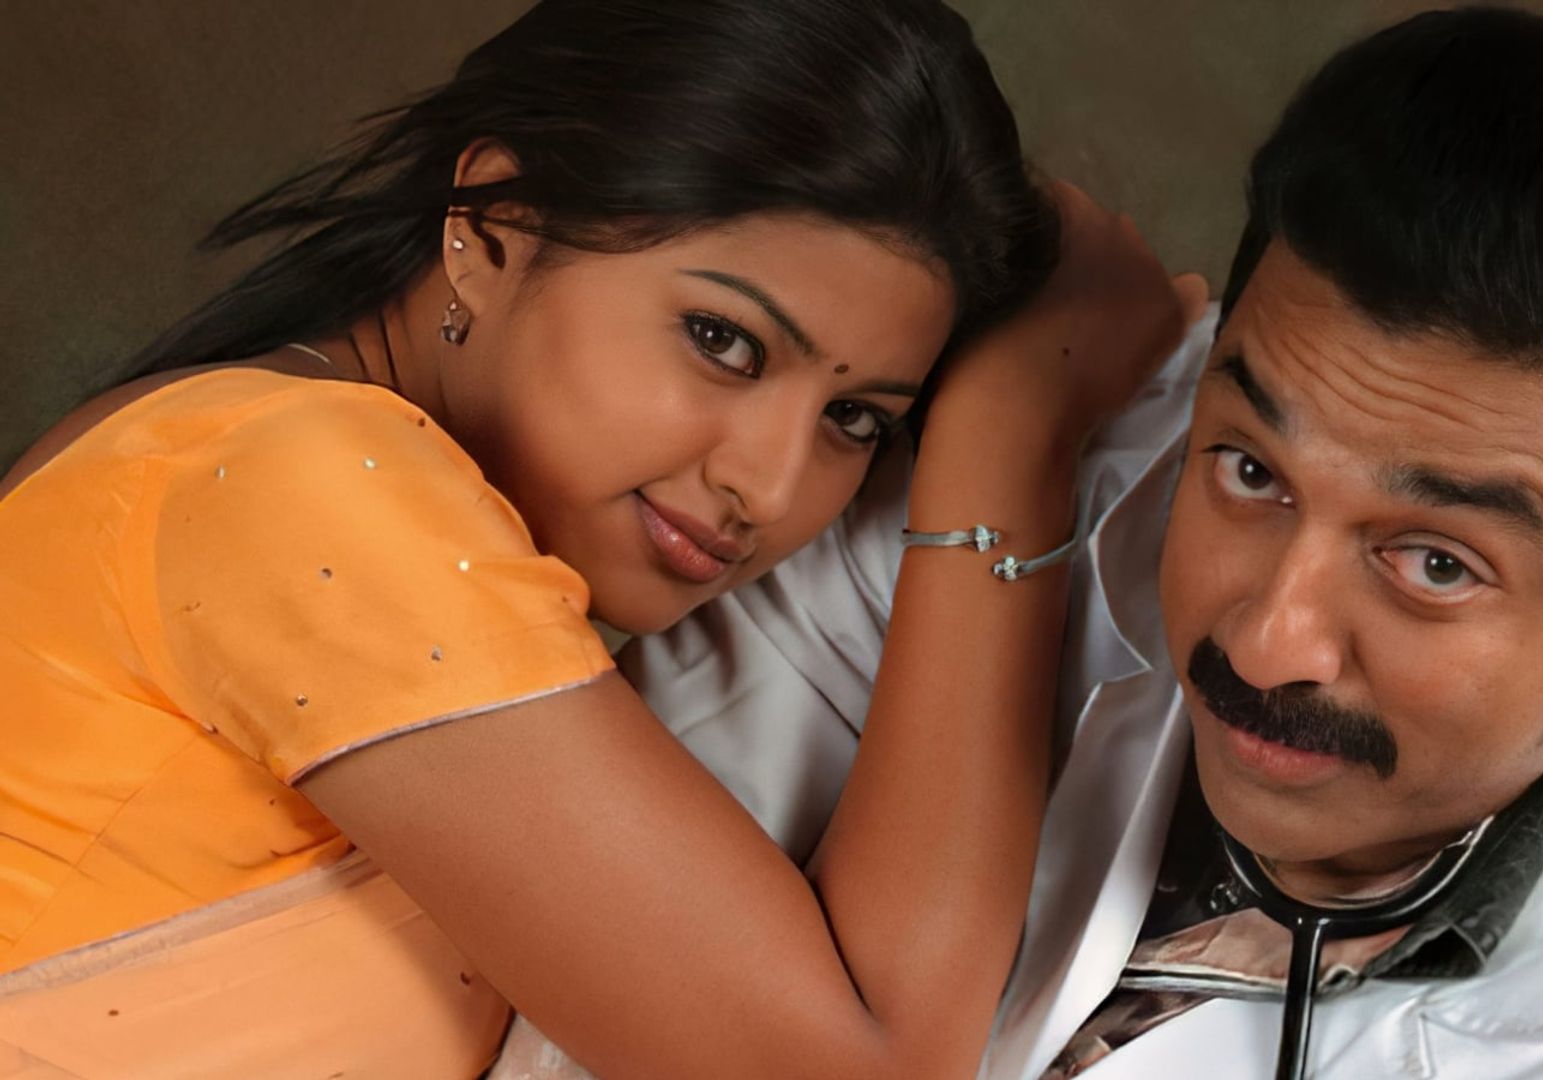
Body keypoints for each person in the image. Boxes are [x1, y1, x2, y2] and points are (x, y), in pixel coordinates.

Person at [623, 8, 1543, 1077]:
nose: (1267, 641)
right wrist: (1008, 440)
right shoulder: (1073, 431)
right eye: (1252, 473)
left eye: (1434, 563)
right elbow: (607, 894)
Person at [0, 1, 1202, 1077]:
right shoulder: (298, 480)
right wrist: (1014, 435)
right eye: (724, 341)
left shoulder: (293, 475)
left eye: (855, 419)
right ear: (493, 224)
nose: (769, 485)